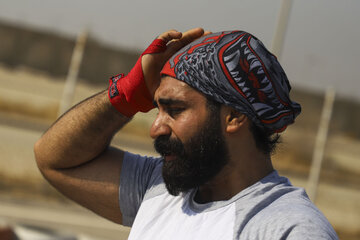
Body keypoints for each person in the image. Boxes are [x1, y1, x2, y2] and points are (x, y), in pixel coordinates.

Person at [34, 28, 338, 239]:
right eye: (156, 108)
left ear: (234, 116)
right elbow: (54, 159)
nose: (155, 128)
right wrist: (125, 95)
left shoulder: (287, 228)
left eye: (175, 110)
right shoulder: (159, 188)